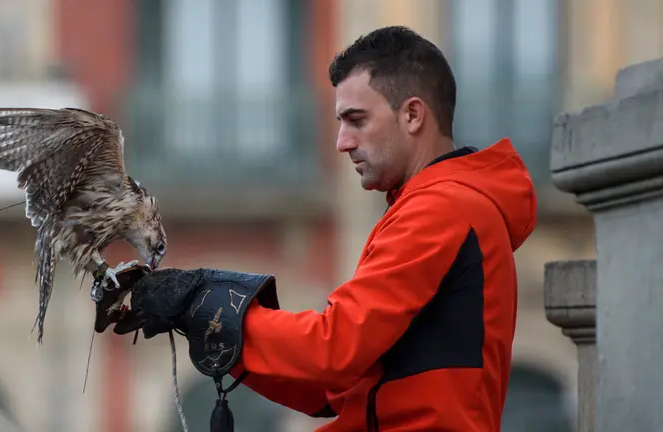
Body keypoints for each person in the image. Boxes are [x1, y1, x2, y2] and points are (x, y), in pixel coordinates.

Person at [107, 25, 537, 432]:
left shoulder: (441, 207)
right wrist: (213, 327)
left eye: (356, 120)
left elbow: (334, 349)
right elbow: (334, 389)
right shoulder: (434, 204)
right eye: (340, 123)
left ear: (412, 115)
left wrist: (208, 303)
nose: (342, 142)